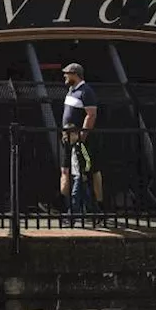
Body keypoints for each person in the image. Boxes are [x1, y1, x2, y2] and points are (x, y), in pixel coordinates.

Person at [59, 63, 98, 215]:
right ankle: (87, 208)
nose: (65, 76)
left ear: (75, 74)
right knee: (70, 172)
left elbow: (91, 114)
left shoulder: (86, 91)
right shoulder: (71, 91)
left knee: (78, 174)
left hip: (77, 140)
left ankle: (76, 209)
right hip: (68, 139)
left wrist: (82, 136)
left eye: (67, 73)